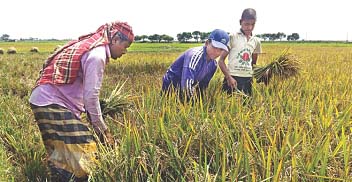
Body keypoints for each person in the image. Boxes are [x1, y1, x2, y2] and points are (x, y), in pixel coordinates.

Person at [29, 21, 134, 181]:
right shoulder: (97, 56)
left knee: (64, 155)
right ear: (114, 40)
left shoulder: (90, 47)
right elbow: (91, 97)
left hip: (43, 100)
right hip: (52, 103)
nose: (125, 51)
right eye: (125, 46)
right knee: (87, 153)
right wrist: (102, 130)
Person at [161, 29, 230, 101]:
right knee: (171, 106)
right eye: (215, 47)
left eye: (221, 50)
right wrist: (193, 104)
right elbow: (186, 85)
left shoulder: (213, 65)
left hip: (189, 85)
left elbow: (203, 86)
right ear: (207, 43)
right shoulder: (194, 56)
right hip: (171, 84)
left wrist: (201, 101)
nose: (217, 52)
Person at [218, 8, 262, 96]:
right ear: (240, 22)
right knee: (227, 107)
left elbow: (253, 63)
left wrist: (263, 73)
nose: (249, 27)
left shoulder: (256, 41)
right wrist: (229, 77)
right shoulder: (232, 37)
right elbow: (221, 61)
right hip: (232, 78)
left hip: (247, 80)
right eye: (246, 24)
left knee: (247, 107)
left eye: (252, 24)